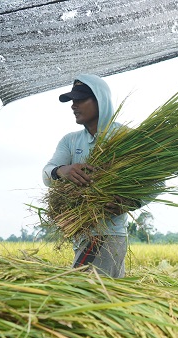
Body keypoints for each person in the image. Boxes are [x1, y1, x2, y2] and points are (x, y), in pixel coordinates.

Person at [42, 74, 129, 278]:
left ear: (100, 100)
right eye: (72, 101)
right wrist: (62, 170)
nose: (74, 105)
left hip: (107, 234)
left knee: (87, 296)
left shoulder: (124, 138)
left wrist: (129, 203)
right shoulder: (70, 141)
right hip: (82, 235)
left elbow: (157, 182)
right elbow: (47, 173)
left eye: (80, 100)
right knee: (106, 297)